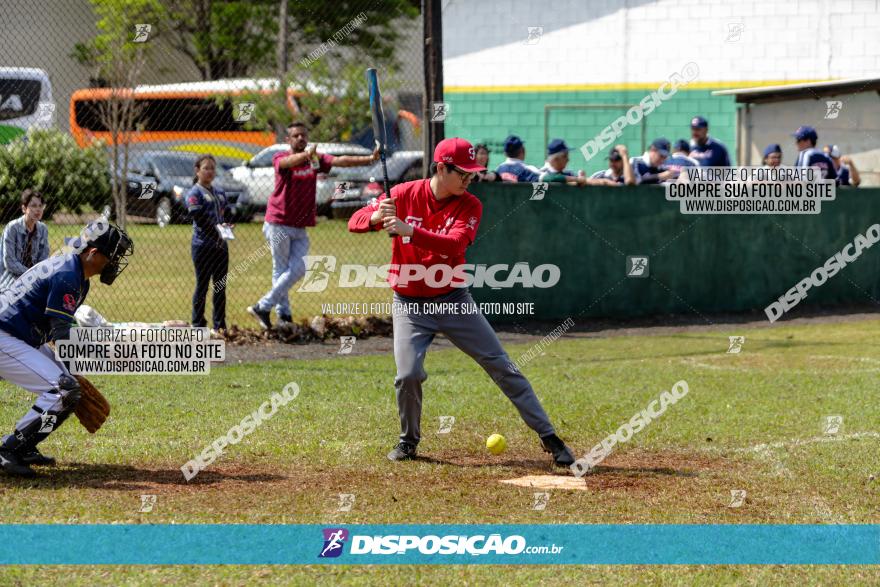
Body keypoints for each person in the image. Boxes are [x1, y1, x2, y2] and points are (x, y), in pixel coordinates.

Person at [347, 137, 576, 467]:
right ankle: (408, 441)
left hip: (454, 300)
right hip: (410, 303)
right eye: (464, 174)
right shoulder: (402, 194)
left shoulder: (470, 204)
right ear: (441, 168)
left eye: (473, 174)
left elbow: (454, 246)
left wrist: (407, 231)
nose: (470, 180)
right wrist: (375, 217)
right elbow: (353, 222)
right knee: (408, 374)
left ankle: (549, 437)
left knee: (502, 365)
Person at [0, 221, 133, 476]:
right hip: (5, 335)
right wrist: (93, 360)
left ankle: (25, 445)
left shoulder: (75, 272)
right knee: (64, 390)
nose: (114, 264)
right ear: (93, 254)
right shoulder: (68, 275)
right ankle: (9, 450)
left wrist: (73, 372)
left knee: (69, 388)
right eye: (112, 257)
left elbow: (60, 332)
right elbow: (61, 334)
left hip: (17, 336)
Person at [247, 121, 379, 329]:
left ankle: (263, 306)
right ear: (288, 140)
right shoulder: (280, 157)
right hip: (278, 222)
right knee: (281, 269)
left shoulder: (314, 158)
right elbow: (288, 162)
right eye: (296, 136)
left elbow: (340, 160)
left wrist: (369, 159)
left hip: (300, 225)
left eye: (303, 135)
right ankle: (284, 315)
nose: (301, 138)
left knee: (299, 268)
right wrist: (307, 155)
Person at [186, 155, 232, 335]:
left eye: (213, 168)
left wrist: (228, 225)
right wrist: (218, 232)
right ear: (197, 170)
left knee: (220, 285)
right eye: (206, 168)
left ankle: (219, 325)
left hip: (220, 247)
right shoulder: (194, 193)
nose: (210, 171)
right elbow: (200, 218)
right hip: (203, 246)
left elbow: (227, 213)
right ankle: (198, 324)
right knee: (203, 285)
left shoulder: (219, 192)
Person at [0, 189, 50, 292]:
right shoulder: (12, 228)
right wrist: (31, 274)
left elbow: (44, 259)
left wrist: (36, 276)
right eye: (33, 206)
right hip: (10, 279)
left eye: (40, 206)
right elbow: (9, 262)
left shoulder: (43, 229)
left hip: (35, 278)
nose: (38, 210)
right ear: (24, 208)